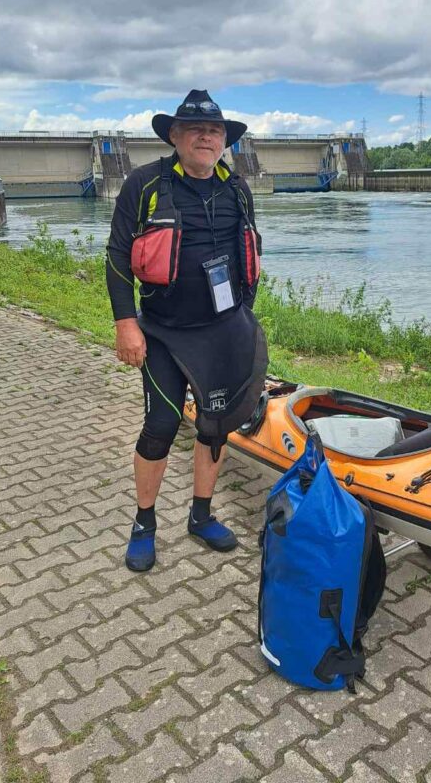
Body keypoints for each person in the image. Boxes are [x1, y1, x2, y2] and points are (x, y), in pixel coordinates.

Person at [106, 90, 266, 572]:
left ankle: (201, 516)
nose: (205, 137)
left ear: (224, 141)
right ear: (174, 136)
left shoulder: (237, 188)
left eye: (214, 131)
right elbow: (117, 256)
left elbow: (250, 253)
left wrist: (243, 316)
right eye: (195, 129)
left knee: (215, 426)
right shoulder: (145, 185)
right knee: (159, 426)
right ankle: (144, 524)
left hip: (224, 332)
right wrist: (125, 323)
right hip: (164, 333)